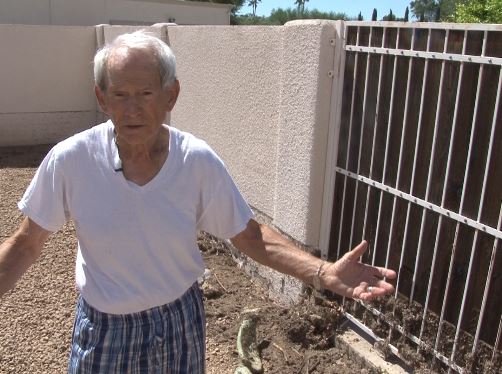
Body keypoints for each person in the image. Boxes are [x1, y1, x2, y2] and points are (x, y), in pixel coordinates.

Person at [0, 31, 396, 373]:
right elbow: (27, 242)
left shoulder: (197, 161)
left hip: (179, 324)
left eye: (145, 93)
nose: (132, 108)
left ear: (171, 95)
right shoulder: (72, 160)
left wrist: (322, 272)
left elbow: (249, 235)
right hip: (106, 329)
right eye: (119, 94)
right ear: (101, 98)